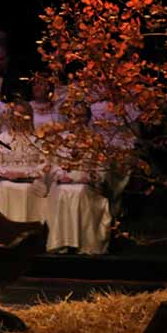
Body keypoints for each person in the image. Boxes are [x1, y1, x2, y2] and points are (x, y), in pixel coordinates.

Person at [46, 105, 112, 254]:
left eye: (81, 116)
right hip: (63, 182)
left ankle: (84, 243)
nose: (77, 120)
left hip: (86, 184)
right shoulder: (60, 139)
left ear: (88, 118)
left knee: (81, 192)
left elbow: (102, 167)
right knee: (62, 192)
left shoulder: (95, 140)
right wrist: (60, 175)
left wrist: (90, 177)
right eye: (74, 116)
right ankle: (61, 242)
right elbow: (52, 163)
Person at [0, 100, 49, 223]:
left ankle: (27, 227)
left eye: (21, 114)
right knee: (4, 187)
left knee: (25, 189)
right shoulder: (3, 138)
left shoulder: (37, 139)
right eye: (15, 114)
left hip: (30, 183)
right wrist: (6, 173)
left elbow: (44, 165)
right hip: (6, 181)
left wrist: (24, 174)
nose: (17, 118)